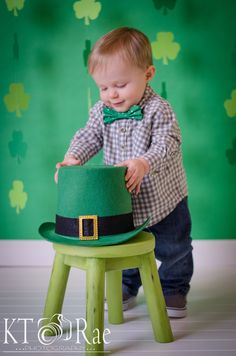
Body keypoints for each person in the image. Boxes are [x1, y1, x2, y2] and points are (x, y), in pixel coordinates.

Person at [55, 27, 193, 318]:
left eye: (119, 84)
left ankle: (174, 287)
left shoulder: (159, 110)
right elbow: (88, 136)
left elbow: (169, 144)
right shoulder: (101, 111)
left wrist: (144, 163)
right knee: (126, 246)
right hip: (123, 202)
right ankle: (128, 285)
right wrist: (72, 158)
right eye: (103, 88)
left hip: (164, 200)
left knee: (174, 248)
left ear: (148, 73)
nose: (111, 94)